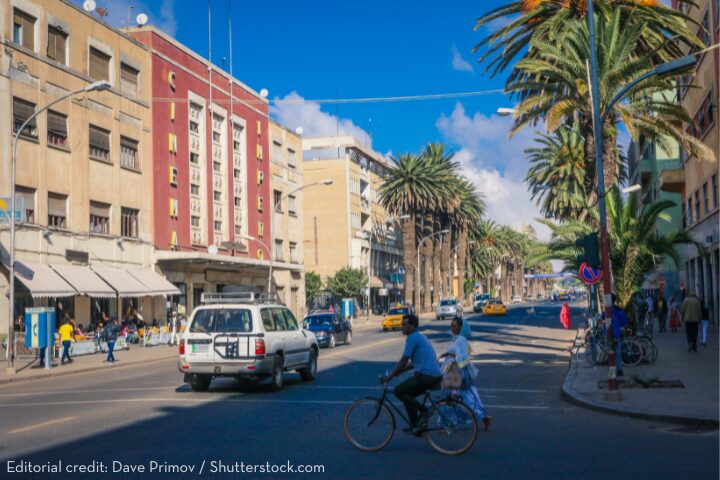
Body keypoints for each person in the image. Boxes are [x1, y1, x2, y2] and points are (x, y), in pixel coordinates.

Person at [381, 314, 443, 434]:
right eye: (402, 325)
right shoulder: (419, 337)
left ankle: (424, 411)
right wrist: (399, 372)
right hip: (433, 376)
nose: (402, 327)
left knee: (399, 391)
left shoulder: (412, 338)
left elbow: (404, 360)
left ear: (413, 326)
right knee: (407, 395)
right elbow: (413, 363)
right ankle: (416, 426)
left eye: (404, 325)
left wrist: (390, 376)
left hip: (427, 376)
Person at [439, 318, 492, 431]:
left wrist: (452, 357)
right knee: (453, 397)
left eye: (454, 326)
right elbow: (456, 353)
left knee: (464, 398)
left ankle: (483, 418)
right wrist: (448, 354)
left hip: (459, 373)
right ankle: (448, 423)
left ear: (460, 327)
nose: (452, 328)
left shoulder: (461, 340)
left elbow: (462, 357)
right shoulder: (456, 339)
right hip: (454, 371)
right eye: (451, 325)